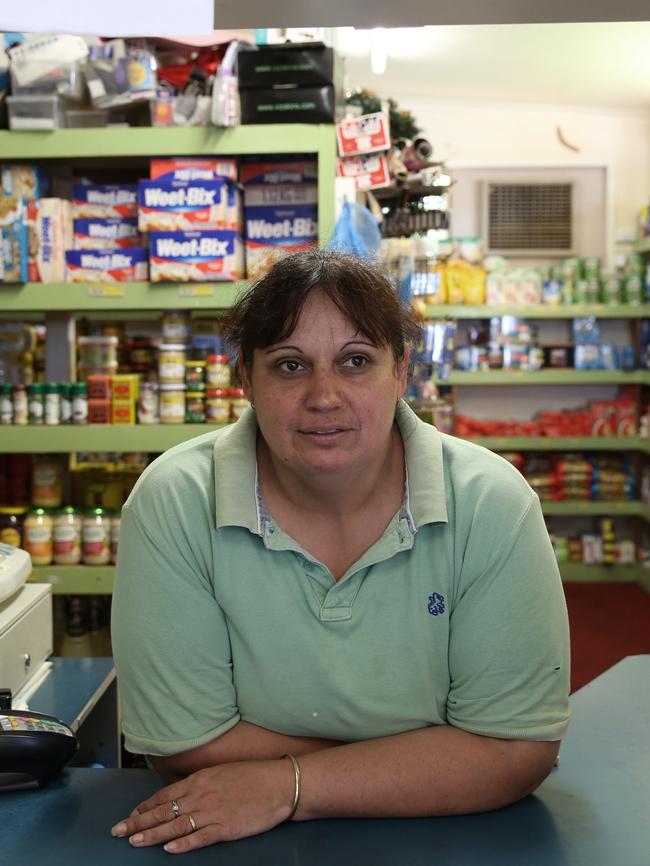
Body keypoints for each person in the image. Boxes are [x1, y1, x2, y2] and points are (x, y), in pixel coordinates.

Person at [110, 248, 570, 855]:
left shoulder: (491, 503)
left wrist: (286, 784)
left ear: (401, 370)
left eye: (355, 362)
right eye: (290, 365)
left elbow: (516, 750)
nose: (324, 396)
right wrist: (440, 762)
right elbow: (182, 746)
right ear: (244, 378)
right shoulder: (174, 501)